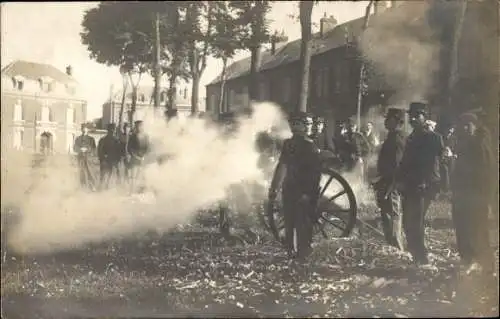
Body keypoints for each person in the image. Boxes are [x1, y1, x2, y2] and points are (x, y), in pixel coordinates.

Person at [268, 112, 322, 260]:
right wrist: (309, 193)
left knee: (290, 222)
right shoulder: (310, 146)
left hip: (289, 188)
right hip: (303, 191)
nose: (310, 127)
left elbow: (282, 166)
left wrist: (274, 187)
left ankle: (291, 251)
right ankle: (302, 254)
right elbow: (315, 174)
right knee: (302, 223)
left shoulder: (288, 144)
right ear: (301, 126)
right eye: (308, 124)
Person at [396, 102, 444, 265]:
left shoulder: (432, 137)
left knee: (415, 221)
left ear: (425, 117)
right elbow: (405, 163)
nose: (414, 119)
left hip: (424, 185)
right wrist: (400, 180)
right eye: (412, 116)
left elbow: (431, 163)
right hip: (410, 185)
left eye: (418, 115)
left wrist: (424, 183)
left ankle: (421, 257)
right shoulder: (412, 137)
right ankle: (416, 254)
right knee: (409, 222)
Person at [451, 112, 495, 275]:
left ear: (475, 126)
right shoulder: (464, 143)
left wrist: (486, 197)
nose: (464, 128)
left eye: (467, 125)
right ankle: (469, 261)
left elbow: (488, 172)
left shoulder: (481, 143)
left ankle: (487, 265)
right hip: (462, 194)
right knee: (463, 229)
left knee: (478, 230)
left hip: (476, 195)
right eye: (462, 125)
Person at [373, 108, 406, 251]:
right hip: (385, 181)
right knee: (387, 213)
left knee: (393, 215)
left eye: (389, 119)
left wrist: (392, 184)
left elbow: (398, 165)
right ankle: (391, 245)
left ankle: (397, 248)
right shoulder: (391, 137)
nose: (386, 122)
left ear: (397, 121)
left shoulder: (397, 139)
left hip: (391, 183)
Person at [127, 120, 151, 192]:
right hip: (134, 159)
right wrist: (135, 156)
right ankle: (132, 191)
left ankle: (142, 191)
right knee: (133, 176)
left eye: (140, 126)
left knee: (143, 176)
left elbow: (148, 148)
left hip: (144, 159)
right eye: (137, 126)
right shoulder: (132, 136)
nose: (138, 128)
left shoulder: (146, 136)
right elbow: (129, 148)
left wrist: (144, 157)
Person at [97, 123, 122, 190]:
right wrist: (103, 160)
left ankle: (112, 190)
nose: (112, 131)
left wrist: (118, 160)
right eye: (111, 130)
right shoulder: (103, 140)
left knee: (113, 177)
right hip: (105, 161)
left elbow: (119, 152)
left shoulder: (117, 140)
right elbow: (100, 151)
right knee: (103, 176)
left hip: (114, 161)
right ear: (108, 130)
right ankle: (101, 190)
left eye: (113, 130)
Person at [73, 123, 97, 190]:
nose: (84, 129)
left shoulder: (91, 139)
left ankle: (92, 186)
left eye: (86, 128)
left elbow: (94, 148)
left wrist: (87, 149)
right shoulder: (78, 138)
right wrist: (80, 149)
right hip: (80, 158)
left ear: (88, 130)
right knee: (81, 172)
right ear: (81, 130)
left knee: (90, 172)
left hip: (89, 158)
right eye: (83, 128)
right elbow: (75, 148)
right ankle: (83, 187)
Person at [440, 125, 457, 195]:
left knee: (451, 170)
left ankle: (450, 187)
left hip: (451, 156)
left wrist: (455, 154)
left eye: (452, 129)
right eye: (449, 129)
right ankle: (445, 187)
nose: (450, 130)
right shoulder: (442, 137)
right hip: (444, 157)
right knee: (445, 171)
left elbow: (456, 147)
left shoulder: (454, 138)